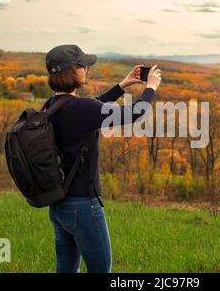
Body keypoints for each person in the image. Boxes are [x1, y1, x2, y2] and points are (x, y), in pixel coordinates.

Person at [44, 44, 162, 273]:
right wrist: (151, 88)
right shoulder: (81, 108)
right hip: (84, 206)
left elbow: (95, 104)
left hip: (59, 204)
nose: (86, 70)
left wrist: (123, 85)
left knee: (66, 268)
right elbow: (134, 113)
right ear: (72, 71)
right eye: (83, 66)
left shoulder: (52, 105)